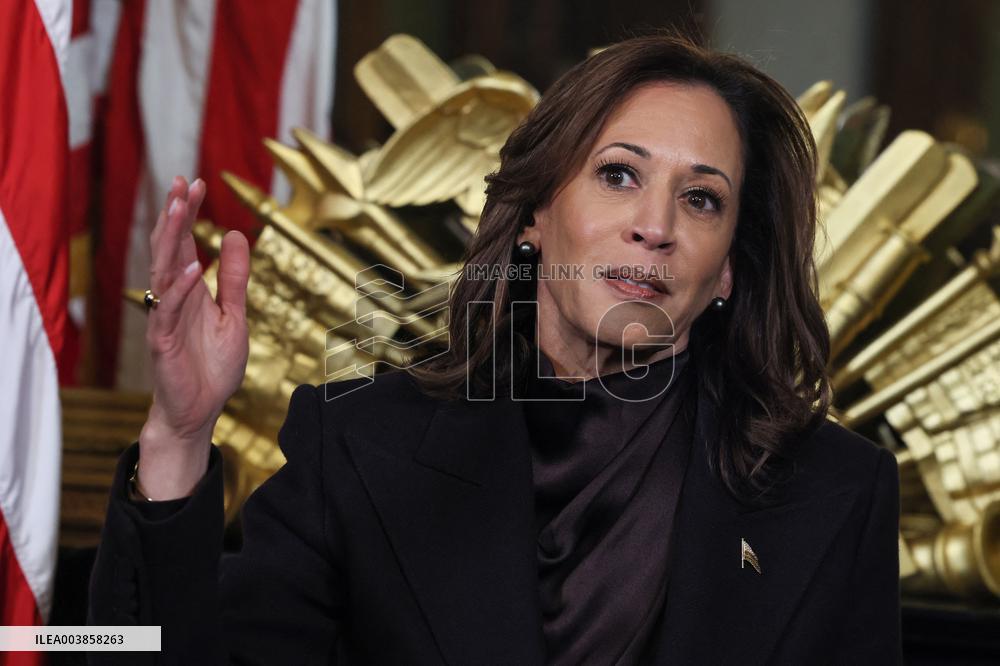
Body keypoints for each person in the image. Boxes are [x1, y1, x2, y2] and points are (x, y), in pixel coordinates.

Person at [87, 34, 902, 665]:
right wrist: (179, 437)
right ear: (536, 215)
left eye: (700, 198)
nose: (655, 226)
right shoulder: (361, 446)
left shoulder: (833, 490)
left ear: (726, 267)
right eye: (619, 175)